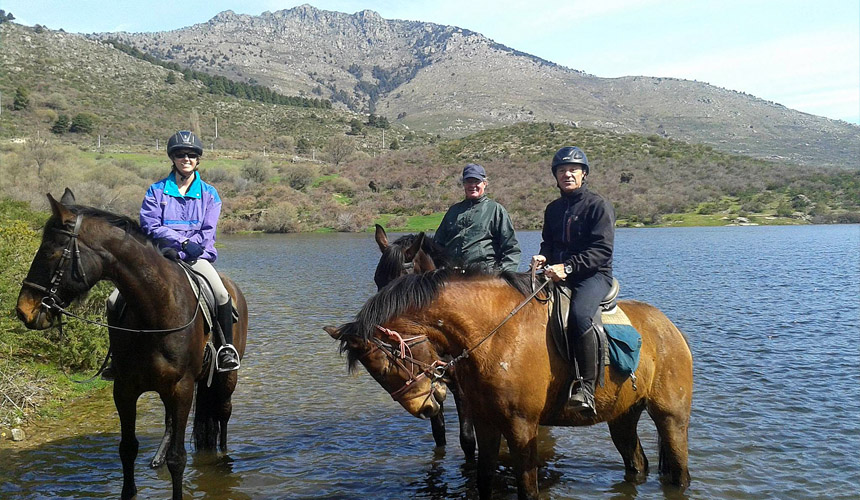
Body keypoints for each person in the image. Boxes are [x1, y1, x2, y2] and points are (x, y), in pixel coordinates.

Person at [139, 130, 240, 372]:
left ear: (198, 160)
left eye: (192, 155)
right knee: (116, 298)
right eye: (181, 154)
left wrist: (186, 250)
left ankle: (226, 348)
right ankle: (120, 356)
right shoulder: (156, 190)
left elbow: (208, 229)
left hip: (197, 257)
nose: (187, 159)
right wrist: (177, 244)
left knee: (221, 294)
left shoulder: (209, 194)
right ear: (172, 158)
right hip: (162, 255)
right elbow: (150, 224)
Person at [530, 146, 614, 416]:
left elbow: (602, 250)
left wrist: (568, 267)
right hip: (556, 272)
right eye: (562, 170)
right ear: (555, 176)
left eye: (573, 170)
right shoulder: (553, 209)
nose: (567, 174)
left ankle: (586, 388)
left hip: (593, 276)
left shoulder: (598, 206)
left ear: (584, 174)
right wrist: (543, 258)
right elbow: (549, 243)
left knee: (579, 317)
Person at [434, 163, 521, 272]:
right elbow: (437, 245)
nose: (472, 185)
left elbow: (511, 249)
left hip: (484, 277)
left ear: (485, 183)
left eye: (476, 181)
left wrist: (501, 276)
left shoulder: (496, 210)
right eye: (469, 182)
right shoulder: (453, 211)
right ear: (464, 184)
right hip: (452, 276)